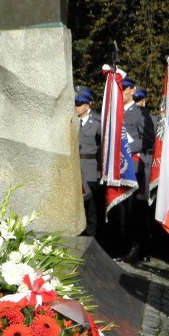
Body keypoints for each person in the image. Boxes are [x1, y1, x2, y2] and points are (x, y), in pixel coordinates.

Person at [114, 75, 155, 263]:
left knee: (133, 212)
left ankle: (134, 249)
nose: (121, 93)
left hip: (133, 166)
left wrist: (127, 146)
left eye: (125, 89)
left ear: (132, 90)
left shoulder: (140, 114)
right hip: (116, 168)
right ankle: (121, 245)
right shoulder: (114, 112)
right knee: (119, 210)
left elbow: (148, 140)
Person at [75, 86, 101, 237]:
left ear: (87, 105)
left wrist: (99, 173)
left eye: (79, 103)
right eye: (75, 103)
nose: (76, 107)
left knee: (91, 211)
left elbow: (103, 149)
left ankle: (92, 241)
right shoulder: (70, 121)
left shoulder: (97, 122)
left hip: (90, 171)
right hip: (74, 170)